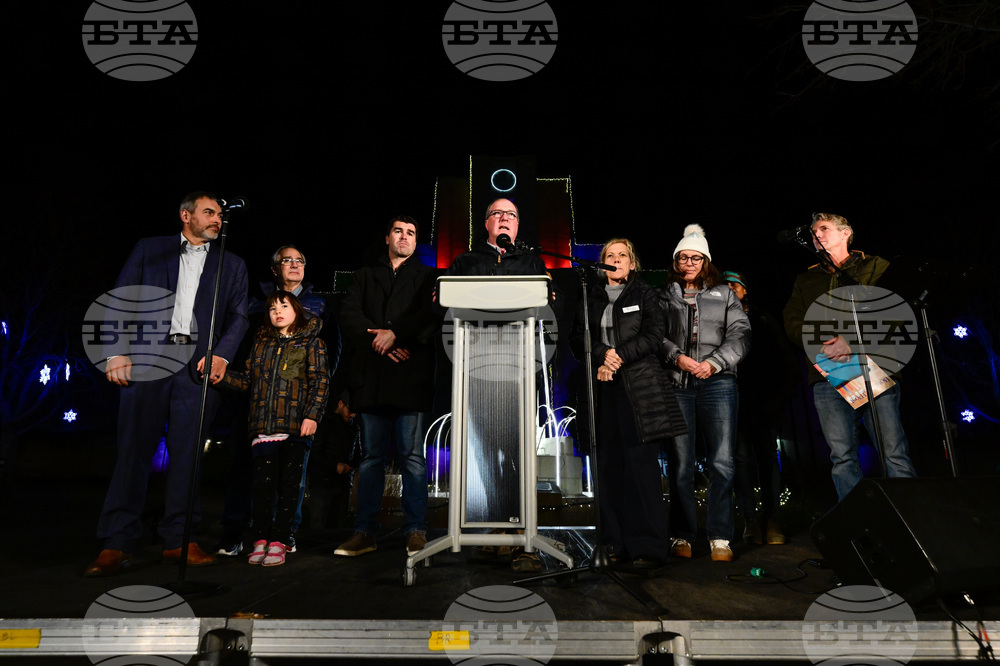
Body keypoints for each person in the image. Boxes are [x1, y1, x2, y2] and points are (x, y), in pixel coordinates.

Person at [85, 192, 249, 577]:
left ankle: (179, 539)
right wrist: (115, 353)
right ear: (185, 215)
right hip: (146, 362)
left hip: (197, 369)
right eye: (209, 213)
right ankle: (117, 542)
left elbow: (239, 316)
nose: (217, 220)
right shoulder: (150, 250)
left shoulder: (233, 263)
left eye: (220, 215)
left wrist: (222, 354)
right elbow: (118, 301)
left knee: (188, 455)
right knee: (133, 451)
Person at [444, 198, 557, 573]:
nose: (505, 219)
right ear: (486, 223)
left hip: (518, 369)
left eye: (511, 214)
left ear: (517, 225)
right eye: (498, 214)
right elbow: (450, 306)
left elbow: (545, 308)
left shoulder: (532, 262)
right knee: (487, 450)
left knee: (518, 449)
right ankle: (498, 525)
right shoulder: (466, 261)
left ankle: (524, 535)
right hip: (477, 370)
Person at [782, 213, 916, 502]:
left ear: (846, 233)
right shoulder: (807, 278)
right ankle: (858, 526)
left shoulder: (874, 266)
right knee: (842, 456)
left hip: (874, 367)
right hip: (827, 372)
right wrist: (822, 343)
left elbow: (893, 311)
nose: (817, 234)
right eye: (814, 230)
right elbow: (792, 320)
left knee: (893, 450)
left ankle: (910, 516)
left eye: (824, 228)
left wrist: (851, 341)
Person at [570, 238, 686, 568]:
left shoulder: (644, 293)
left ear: (632, 263)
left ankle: (647, 548)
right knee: (607, 466)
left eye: (623, 255)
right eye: (610, 255)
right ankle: (612, 544)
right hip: (601, 387)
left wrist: (617, 356)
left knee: (640, 467)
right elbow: (577, 337)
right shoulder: (589, 295)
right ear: (602, 262)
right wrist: (601, 356)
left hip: (639, 389)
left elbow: (653, 336)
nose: (616, 259)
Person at [215, 244, 336, 557]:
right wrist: (220, 373)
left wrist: (314, 410)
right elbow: (248, 370)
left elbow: (323, 370)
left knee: (292, 478)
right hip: (257, 407)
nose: (294, 265)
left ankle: (284, 535)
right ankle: (242, 534)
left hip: (296, 411)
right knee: (250, 474)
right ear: (274, 268)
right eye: (287, 260)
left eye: (300, 260)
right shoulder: (256, 306)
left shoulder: (319, 308)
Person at [334, 215, 438, 558]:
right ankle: (364, 531)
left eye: (411, 232)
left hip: (410, 376)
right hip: (373, 377)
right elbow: (348, 316)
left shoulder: (427, 276)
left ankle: (415, 530)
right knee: (371, 459)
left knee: (412, 458)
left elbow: (431, 317)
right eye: (398, 231)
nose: (405, 237)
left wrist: (397, 335)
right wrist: (384, 341)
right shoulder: (364, 275)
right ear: (387, 237)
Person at [660, 224, 750, 563]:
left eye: (695, 257)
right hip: (678, 384)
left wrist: (714, 363)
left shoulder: (725, 294)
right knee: (680, 465)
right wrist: (676, 357)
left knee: (722, 462)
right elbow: (654, 334)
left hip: (719, 383)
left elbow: (741, 334)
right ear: (675, 261)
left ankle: (720, 537)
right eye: (682, 257)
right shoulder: (663, 295)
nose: (688, 262)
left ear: (706, 260)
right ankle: (681, 535)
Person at [721, 270, 795, 545]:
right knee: (739, 461)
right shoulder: (716, 323)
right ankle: (750, 520)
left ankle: (772, 518)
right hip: (733, 403)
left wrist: (781, 397)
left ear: (744, 290)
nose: (730, 288)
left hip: (765, 402)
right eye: (725, 285)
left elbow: (785, 360)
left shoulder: (763, 320)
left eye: (735, 284)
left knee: (767, 460)